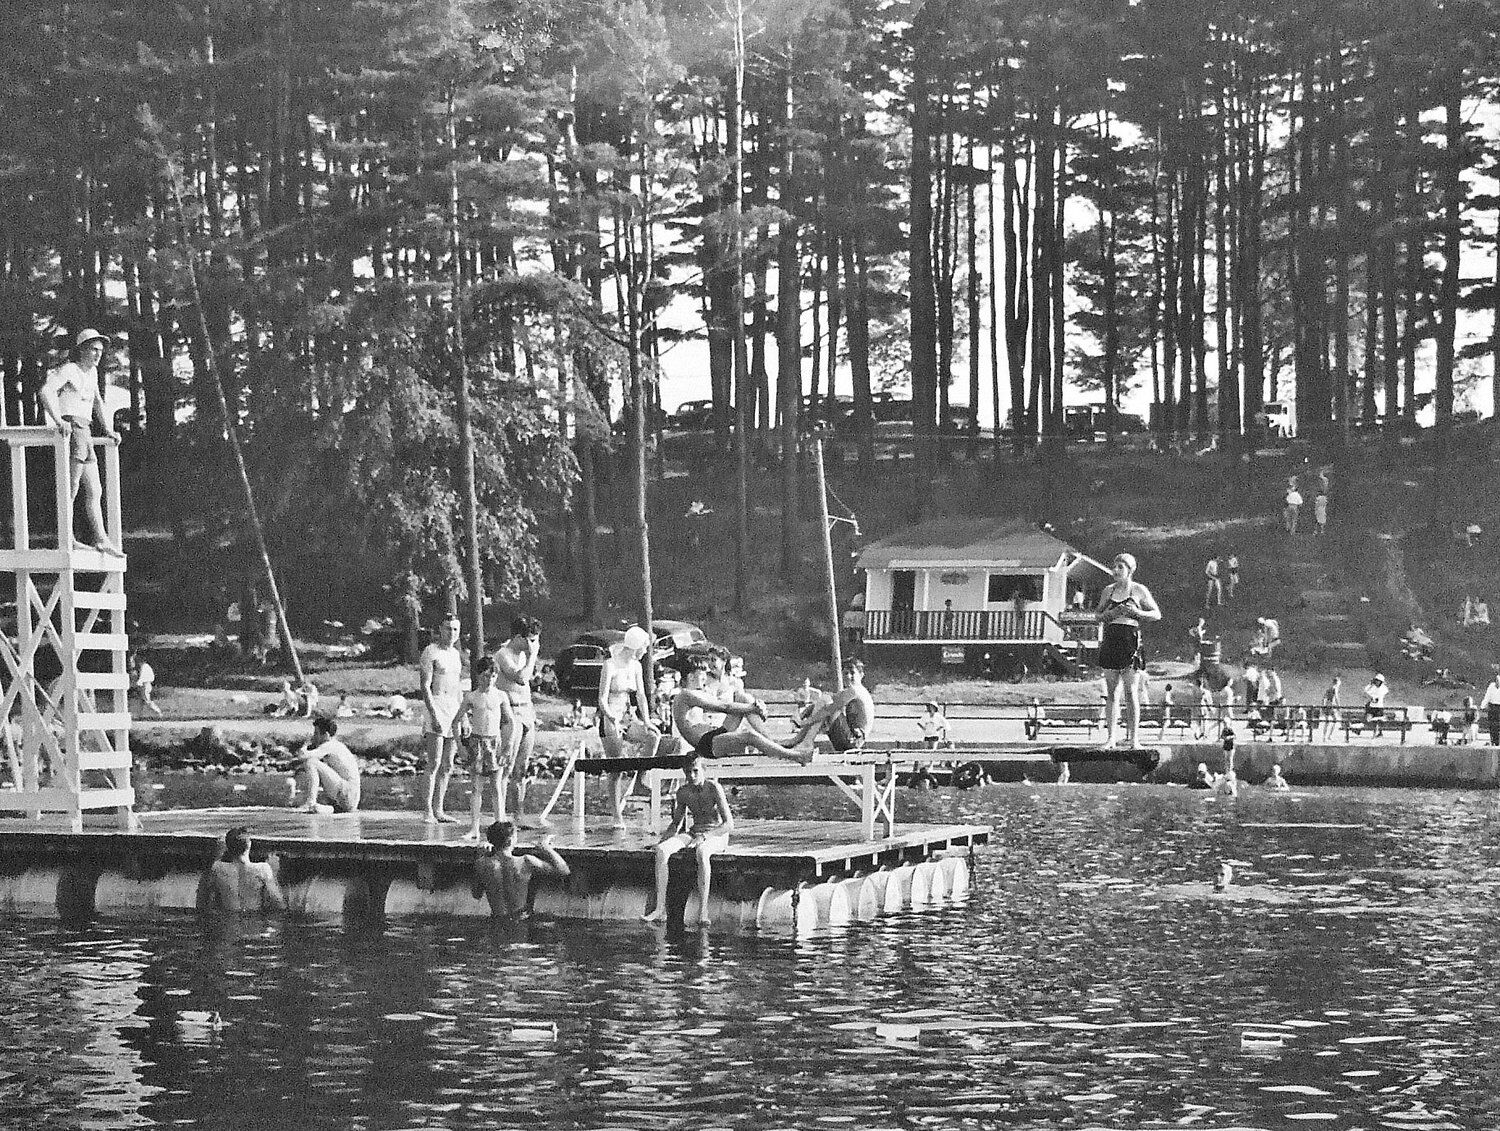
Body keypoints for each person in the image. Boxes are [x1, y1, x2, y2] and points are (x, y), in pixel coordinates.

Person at [38, 329, 124, 557]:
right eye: (93, 349)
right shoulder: (70, 369)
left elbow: (97, 402)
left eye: (100, 350)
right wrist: (58, 420)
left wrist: (108, 429)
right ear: (83, 349)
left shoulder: (92, 373)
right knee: (71, 488)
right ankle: (67, 538)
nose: (98, 354)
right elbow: (46, 391)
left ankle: (101, 539)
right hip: (73, 428)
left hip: (85, 431)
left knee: (95, 489)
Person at [642, 751, 734, 928]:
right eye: (687, 772)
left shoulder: (713, 788)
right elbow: (677, 823)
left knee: (702, 851)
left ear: (703, 769)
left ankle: (703, 911)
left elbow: (729, 824)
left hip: (716, 834)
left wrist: (705, 837)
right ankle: (660, 909)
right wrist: (661, 842)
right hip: (694, 832)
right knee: (662, 851)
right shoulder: (683, 792)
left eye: (695, 771)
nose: (691, 776)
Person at [672, 655, 813, 762]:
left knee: (743, 698)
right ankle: (796, 756)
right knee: (748, 735)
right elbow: (724, 707)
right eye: (702, 673)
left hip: (714, 734)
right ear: (690, 676)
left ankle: (774, 742)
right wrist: (753, 708)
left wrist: (753, 704)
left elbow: (731, 702)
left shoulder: (696, 693)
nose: (706, 677)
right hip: (705, 745)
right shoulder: (685, 695)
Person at [1095, 553, 1162, 750]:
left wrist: (1137, 613)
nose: (1115, 571)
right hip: (1111, 637)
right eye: (1114, 567)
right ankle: (1111, 738)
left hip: (1130, 639)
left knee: (1131, 692)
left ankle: (1134, 739)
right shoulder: (1108, 591)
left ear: (1130, 570)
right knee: (1111, 692)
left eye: (1120, 567)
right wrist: (1110, 614)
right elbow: (1097, 615)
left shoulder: (1139, 590)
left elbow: (1156, 614)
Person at [598, 625, 663, 827]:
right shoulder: (610, 665)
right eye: (644, 647)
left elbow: (641, 696)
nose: (646, 651)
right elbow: (601, 698)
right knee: (615, 768)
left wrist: (647, 721)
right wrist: (611, 718)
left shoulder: (636, 666)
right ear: (636, 646)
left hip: (627, 715)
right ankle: (617, 814)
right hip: (610, 717)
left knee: (653, 736)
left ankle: (641, 780)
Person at [455, 656, 515, 839]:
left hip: (494, 742)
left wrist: (508, 746)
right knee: (476, 787)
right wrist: (460, 746)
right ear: (479, 675)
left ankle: (501, 826)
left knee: (496, 786)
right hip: (477, 742)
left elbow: (510, 721)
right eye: (486, 676)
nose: (490, 680)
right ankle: (474, 828)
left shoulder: (500, 696)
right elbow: (455, 721)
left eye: (493, 676)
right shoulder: (472, 697)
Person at [470, 822, 570, 920]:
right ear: (509, 841)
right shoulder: (526, 861)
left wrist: (480, 855)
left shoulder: (482, 864)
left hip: (497, 921)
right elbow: (564, 870)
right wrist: (546, 847)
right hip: (520, 921)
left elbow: (476, 894)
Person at [495, 615, 541, 824]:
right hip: (510, 712)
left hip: (526, 711)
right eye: (530, 639)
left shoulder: (524, 653)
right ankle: (501, 816)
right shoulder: (503, 654)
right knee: (507, 766)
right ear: (518, 637)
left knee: (521, 768)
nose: (533, 644)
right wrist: (533, 656)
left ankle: (518, 815)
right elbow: (520, 678)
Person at [419, 613, 464, 823]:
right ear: (440, 629)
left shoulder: (455, 654)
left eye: (455, 629)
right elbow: (425, 686)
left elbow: (458, 687)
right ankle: (427, 810)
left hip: (453, 707)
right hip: (437, 705)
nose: (451, 633)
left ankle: (439, 809)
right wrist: (433, 712)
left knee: (448, 764)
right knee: (434, 762)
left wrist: (463, 716)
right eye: (448, 628)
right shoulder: (431, 651)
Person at [204, 826, 285, 913]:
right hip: (254, 921)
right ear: (249, 845)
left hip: (228, 922)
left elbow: (203, 900)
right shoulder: (263, 869)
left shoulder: (217, 868)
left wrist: (218, 854)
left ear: (227, 848)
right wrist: (275, 870)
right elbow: (279, 904)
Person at [292, 716, 361, 813]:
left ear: (326, 735)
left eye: (316, 733)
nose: (314, 736)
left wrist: (306, 744)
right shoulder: (336, 746)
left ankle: (310, 802)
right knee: (300, 801)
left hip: (347, 793)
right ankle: (326, 808)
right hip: (350, 800)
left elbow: (302, 755)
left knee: (311, 762)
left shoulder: (329, 745)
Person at [129, 652, 162, 717]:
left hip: (145, 685)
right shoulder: (144, 666)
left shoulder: (144, 667)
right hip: (145, 685)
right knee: (140, 701)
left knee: (147, 700)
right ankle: (138, 715)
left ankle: (158, 713)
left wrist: (137, 683)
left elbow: (143, 677)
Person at [1363, 673, 1389, 738]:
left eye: (1378, 681)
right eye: (1376, 680)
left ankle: (1378, 733)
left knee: (1378, 720)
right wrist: (1370, 684)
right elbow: (1366, 690)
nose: (1376, 682)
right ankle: (1376, 732)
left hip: (1379, 707)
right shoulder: (1373, 687)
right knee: (1369, 720)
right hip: (1372, 706)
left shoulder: (1383, 688)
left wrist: (1374, 696)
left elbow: (1382, 693)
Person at [1481, 672, 1500, 746]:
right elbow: (1487, 696)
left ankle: (1498, 742)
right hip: (1492, 707)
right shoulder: (1491, 686)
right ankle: (1493, 742)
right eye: (1497, 681)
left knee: (1498, 726)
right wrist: (1482, 706)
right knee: (1492, 725)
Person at [1321, 676, 1342, 741]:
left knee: (1327, 722)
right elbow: (1336, 698)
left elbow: (1324, 698)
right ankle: (1329, 736)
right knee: (1335, 720)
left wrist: (1323, 706)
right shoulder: (1335, 688)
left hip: (1327, 705)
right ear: (1337, 682)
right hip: (1332, 706)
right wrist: (1339, 706)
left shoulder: (1329, 689)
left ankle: (1324, 737)